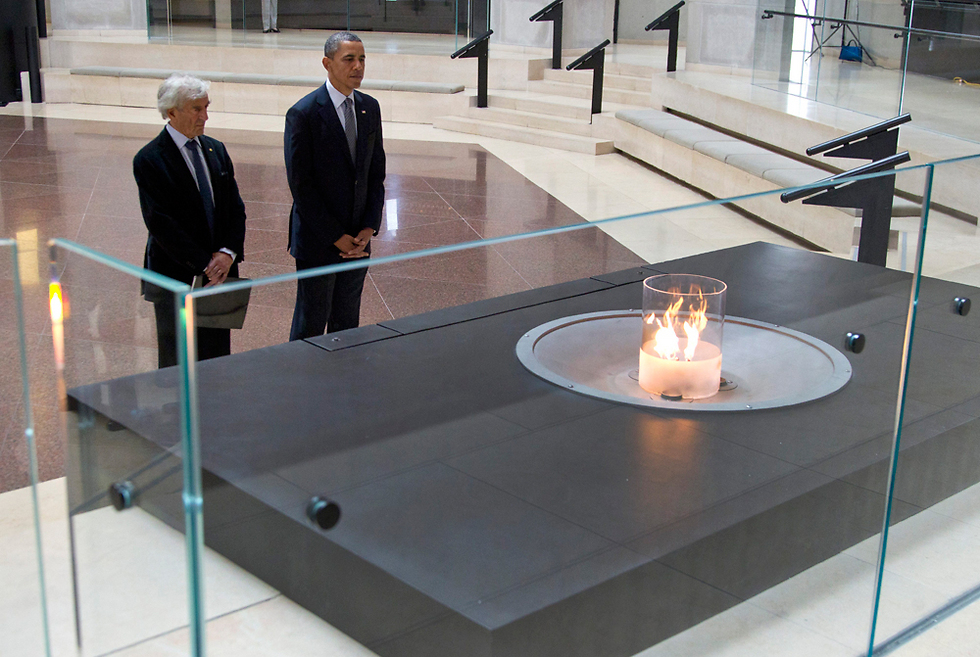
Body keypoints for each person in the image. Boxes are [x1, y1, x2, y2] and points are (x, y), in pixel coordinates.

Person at [134, 74, 247, 368]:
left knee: (216, 356)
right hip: (176, 274)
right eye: (197, 109)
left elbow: (235, 208)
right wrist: (205, 264)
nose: (205, 116)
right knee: (178, 358)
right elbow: (161, 223)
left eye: (206, 107)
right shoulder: (149, 159)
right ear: (171, 112)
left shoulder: (216, 150)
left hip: (219, 274)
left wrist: (227, 254)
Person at [284, 31, 386, 341]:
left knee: (347, 320)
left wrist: (369, 227)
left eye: (362, 59)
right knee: (311, 323)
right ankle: (305, 383)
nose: (358, 66)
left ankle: (342, 380)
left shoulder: (370, 107)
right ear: (327, 64)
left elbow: (375, 173)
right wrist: (335, 237)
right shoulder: (303, 113)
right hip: (319, 239)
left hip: (358, 237)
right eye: (349, 59)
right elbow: (301, 186)